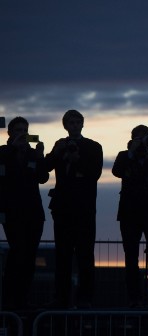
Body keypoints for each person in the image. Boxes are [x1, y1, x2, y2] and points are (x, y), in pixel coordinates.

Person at [44, 110, 103, 308]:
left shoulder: (93, 147)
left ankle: (85, 297)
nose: (75, 125)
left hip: (85, 208)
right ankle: (61, 297)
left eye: (78, 122)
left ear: (83, 124)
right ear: (66, 125)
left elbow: (94, 173)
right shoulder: (60, 145)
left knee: (86, 254)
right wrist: (57, 152)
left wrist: (78, 159)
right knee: (63, 255)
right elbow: (45, 167)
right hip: (63, 208)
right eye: (71, 122)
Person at [112, 125, 148, 306]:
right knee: (131, 258)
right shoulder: (124, 155)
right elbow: (117, 171)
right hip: (129, 213)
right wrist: (132, 152)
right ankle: (134, 298)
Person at [0, 117, 49, 310]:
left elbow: (43, 178)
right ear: (9, 133)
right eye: (18, 130)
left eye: (25, 130)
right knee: (17, 251)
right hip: (12, 212)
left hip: (33, 212)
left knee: (29, 256)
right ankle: (9, 297)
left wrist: (40, 157)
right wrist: (14, 148)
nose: (22, 133)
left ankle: (22, 298)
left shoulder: (31, 153)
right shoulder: (3, 152)